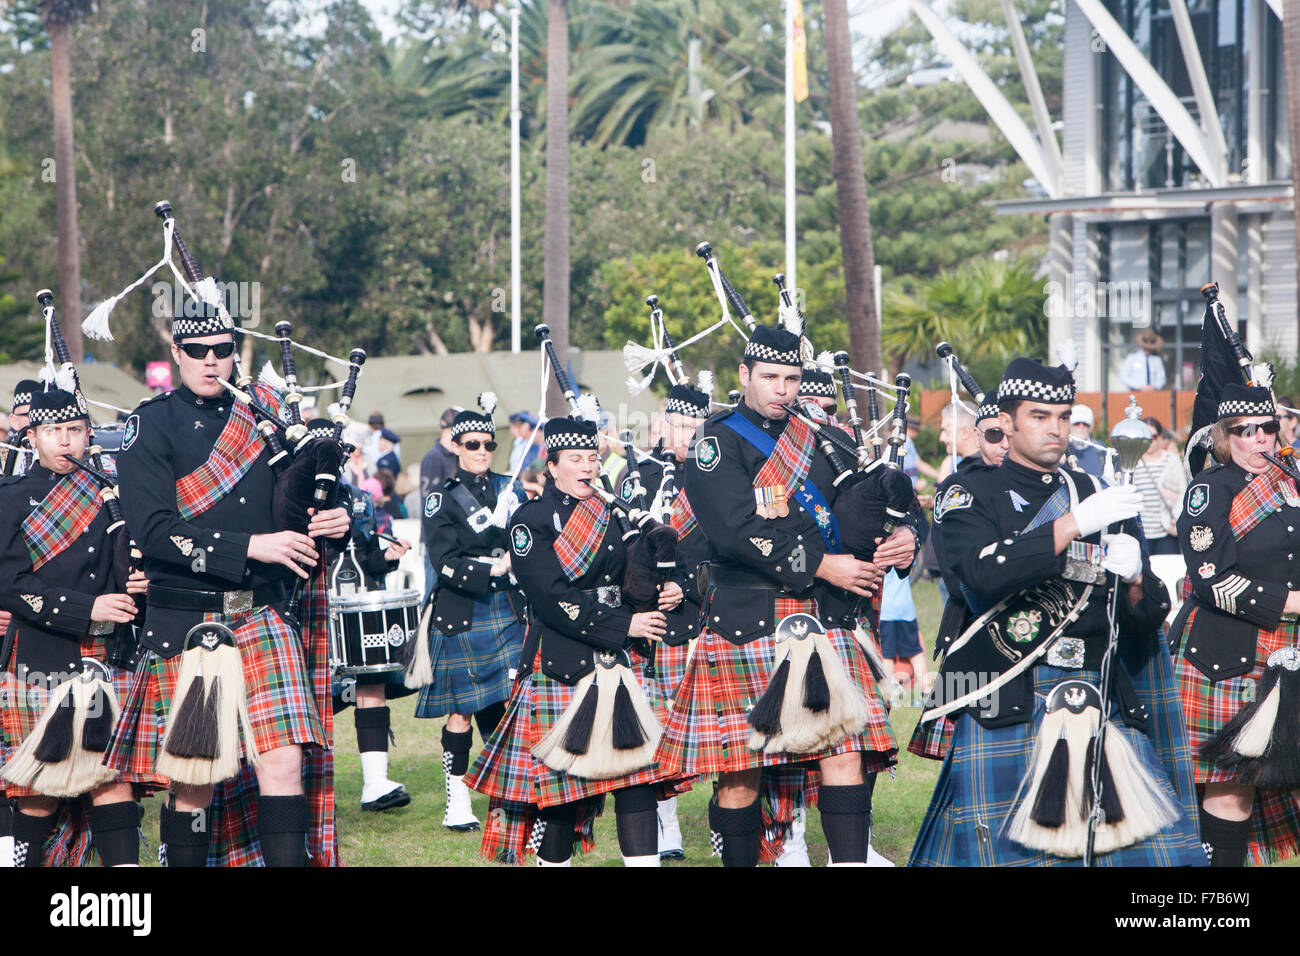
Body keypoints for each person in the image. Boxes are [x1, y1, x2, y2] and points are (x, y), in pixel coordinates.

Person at [910, 357, 1205, 866]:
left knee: (1149, 859)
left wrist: (1136, 579)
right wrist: (1072, 525)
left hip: (1098, 690)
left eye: (1064, 416)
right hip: (1007, 692)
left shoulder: (1093, 491)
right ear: (1006, 420)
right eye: (1040, 416)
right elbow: (978, 579)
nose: (1056, 429)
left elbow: (1146, 616)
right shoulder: (967, 491)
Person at [103, 300, 351, 866]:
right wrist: (250, 547)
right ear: (176, 353)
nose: (211, 362)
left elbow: (305, 498)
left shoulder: (264, 419)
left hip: (262, 614)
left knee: (284, 760)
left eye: (222, 350)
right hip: (188, 622)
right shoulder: (152, 422)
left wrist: (339, 518)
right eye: (198, 352)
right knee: (195, 775)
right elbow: (154, 531)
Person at [654, 324, 900, 867]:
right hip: (748, 619)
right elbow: (733, 529)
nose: (782, 389)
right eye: (770, 377)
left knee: (843, 752)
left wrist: (904, 533)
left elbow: (862, 500)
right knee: (742, 769)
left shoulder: (820, 436)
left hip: (820, 617)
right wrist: (821, 565)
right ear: (745, 376)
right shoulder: (717, 441)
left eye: (791, 378)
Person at [465, 413, 684, 866]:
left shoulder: (615, 512)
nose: (588, 466)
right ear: (553, 466)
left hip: (622, 659)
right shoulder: (531, 521)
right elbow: (549, 597)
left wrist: (670, 586)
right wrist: (624, 626)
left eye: (592, 457)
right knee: (563, 791)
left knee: (637, 777)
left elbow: (634, 579)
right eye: (576, 459)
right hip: (563, 658)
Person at [0, 381, 161, 866]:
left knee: (114, 780)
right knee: (37, 787)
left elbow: (135, 562)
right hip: (40, 654)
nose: (65, 441)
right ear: (32, 436)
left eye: (75, 429)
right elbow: (9, 584)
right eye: (53, 431)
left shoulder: (115, 494)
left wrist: (143, 581)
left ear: (90, 432)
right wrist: (86, 608)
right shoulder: (10, 497)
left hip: (107, 658)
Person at [1169, 386, 1300, 866]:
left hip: (1289, 650)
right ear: (1226, 437)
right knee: (1232, 786)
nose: (1261, 439)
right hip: (1225, 654)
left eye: (1268, 427)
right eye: (1247, 431)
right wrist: (1293, 602)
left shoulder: (1291, 481)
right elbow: (1210, 578)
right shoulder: (1211, 488)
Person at [414, 400, 526, 832]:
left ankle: (504, 799)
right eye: (472, 444)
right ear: (456, 446)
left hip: (507, 612)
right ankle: (457, 800)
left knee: (506, 709)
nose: (482, 451)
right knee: (461, 713)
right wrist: (489, 567)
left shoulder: (509, 487)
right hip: (461, 612)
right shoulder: (441, 497)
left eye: (488, 444)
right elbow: (443, 560)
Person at [612, 380, 712, 860]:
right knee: (658, 727)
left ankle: (725, 821)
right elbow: (624, 547)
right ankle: (665, 824)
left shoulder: (715, 475)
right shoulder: (637, 477)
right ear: (661, 425)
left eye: (697, 426)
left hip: (706, 616)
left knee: (714, 729)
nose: (688, 435)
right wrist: (652, 589)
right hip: (650, 622)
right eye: (681, 425)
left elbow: (726, 547)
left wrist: (686, 586)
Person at [909, 392, 1009, 761]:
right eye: (995, 434)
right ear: (979, 434)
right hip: (974, 622)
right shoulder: (961, 485)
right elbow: (959, 576)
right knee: (975, 749)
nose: (1004, 443)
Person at [329, 456, 415, 814]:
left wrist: (389, 557)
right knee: (310, 697)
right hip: (310, 607)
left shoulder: (357, 498)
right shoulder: (286, 493)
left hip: (355, 609)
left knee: (371, 685)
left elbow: (364, 557)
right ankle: (299, 785)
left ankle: (375, 784)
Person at [1132, 415, 1182, 556]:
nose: (1150, 442)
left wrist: (1177, 518)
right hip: (1141, 532)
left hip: (1166, 531)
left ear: (1160, 437)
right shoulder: (1134, 463)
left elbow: (1182, 492)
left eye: (1152, 437)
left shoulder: (1172, 460)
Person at [2, 379, 40, 477]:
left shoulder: (56, 455)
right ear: (14, 420)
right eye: (30, 415)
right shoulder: (3, 454)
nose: (36, 421)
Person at [1066, 404, 1107, 477]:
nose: (1081, 427)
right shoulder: (1061, 449)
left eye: (1085, 424)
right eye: (1076, 423)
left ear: (1091, 427)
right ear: (1069, 425)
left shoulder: (1100, 449)